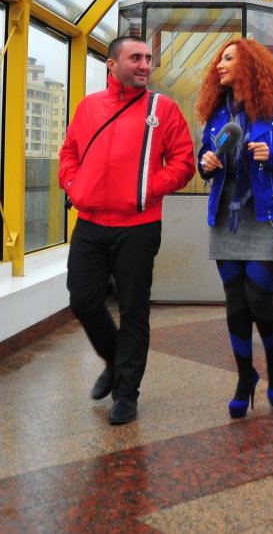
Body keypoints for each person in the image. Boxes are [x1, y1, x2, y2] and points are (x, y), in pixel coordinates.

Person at [58, 36, 195, 425]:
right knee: (83, 301)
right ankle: (115, 361)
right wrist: (71, 184)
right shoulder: (89, 107)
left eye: (148, 58)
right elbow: (68, 153)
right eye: (135, 58)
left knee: (134, 309)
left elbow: (183, 162)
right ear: (111, 64)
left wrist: (148, 189)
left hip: (139, 226)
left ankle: (127, 393)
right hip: (90, 223)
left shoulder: (162, 109)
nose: (144, 65)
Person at [197, 38, 273, 418]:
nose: (219, 65)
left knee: (259, 298)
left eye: (227, 58)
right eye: (219, 58)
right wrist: (206, 162)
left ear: (250, 66)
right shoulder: (216, 113)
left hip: (269, 216)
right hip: (227, 220)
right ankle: (246, 377)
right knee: (235, 303)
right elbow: (202, 160)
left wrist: (271, 155)